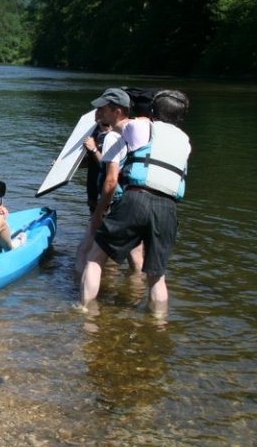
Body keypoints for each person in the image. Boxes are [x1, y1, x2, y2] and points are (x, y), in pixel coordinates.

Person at [80, 90, 191, 315]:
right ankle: (158, 322)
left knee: (95, 258)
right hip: (168, 208)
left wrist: (104, 119)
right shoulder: (185, 141)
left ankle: (85, 311)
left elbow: (118, 126)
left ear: (152, 111)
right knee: (156, 276)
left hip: (136, 199)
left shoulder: (141, 127)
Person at [75, 88, 143, 274]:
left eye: (103, 109)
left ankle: (78, 295)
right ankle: (136, 292)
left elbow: (111, 178)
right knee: (135, 256)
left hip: (115, 202)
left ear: (117, 112)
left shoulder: (112, 136)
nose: (98, 114)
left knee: (86, 252)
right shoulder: (140, 133)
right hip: (134, 200)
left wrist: (99, 211)